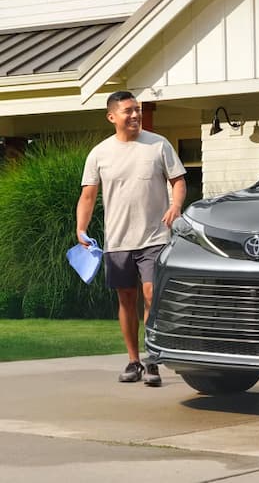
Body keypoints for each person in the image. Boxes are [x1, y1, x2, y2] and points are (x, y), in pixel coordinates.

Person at [76, 91, 186, 386]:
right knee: (126, 299)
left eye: (137, 110)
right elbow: (88, 195)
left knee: (151, 295)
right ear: (112, 117)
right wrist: (81, 229)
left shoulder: (158, 144)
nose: (135, 115)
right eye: (128, 111)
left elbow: (177, 181)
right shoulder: (100, 153)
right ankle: (133, 361)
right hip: (118, 241)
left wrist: (175, 205)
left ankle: (153, 360)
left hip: (155, 237)